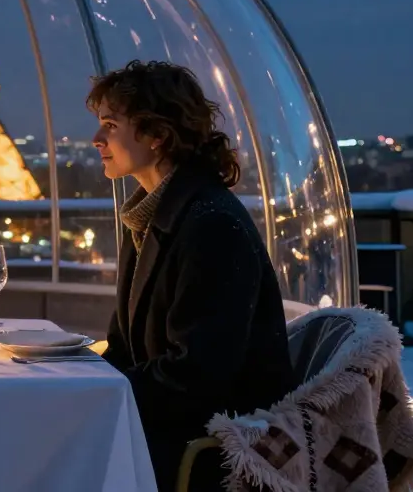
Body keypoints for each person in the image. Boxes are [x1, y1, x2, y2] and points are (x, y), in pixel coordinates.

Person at [89, 60, 294, 491]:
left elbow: (197, 376)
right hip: (167, 431)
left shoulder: (210, 227)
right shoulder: (153, 217)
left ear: (158, 134)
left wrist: (87, 393)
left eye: (110, 125)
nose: (96, 140)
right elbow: (127, 349)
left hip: (206, 452)